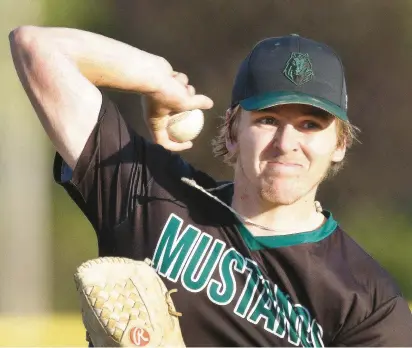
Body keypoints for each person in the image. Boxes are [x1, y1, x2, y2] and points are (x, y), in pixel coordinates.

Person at [9, 25, 412, 347]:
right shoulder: (152, 195)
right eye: (268, 120)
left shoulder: (367, 301)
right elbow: (36, 47)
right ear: (233, 132)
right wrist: (154, 75)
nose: (287, 143)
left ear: (339, 144)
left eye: (310, 125)